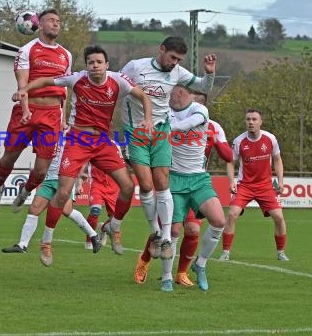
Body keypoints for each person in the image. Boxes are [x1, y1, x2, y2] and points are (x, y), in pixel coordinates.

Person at [15, 45, 154, 264]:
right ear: (86, 65)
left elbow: (144, 97)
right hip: (78, 140)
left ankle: (113, 227)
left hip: (102, 141)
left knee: (128, 186)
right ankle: (46, 242)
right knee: (62, 193)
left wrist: (148, 118)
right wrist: (24, 89)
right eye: (91, 62)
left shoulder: (118, 80)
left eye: (99, 62)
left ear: (106, 65)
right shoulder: (77, 79)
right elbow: (45, 81)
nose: (95, 66)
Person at [120, 36, 216, 260]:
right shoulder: (135, 67)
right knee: (145, 184)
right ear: (161, 50)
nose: (174, 62)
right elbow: (116, 86)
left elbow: (203, 87)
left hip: (161, 130)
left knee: (162, 182)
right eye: (172, 57)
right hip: (136, 131)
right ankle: (155, 231)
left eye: (179, 59)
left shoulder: (178, 72)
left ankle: (164, 237)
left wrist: (209, 73)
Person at [134, 85, 225, 292]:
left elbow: (185, 126)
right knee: (172, 230)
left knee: (219, 220)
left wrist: (159, 125)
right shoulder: (164, 112)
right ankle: (166, 277)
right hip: (173, 179)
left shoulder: (200, 111)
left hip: (198, 179)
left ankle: (199, 265)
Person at [0, 9, 72, 214]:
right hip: (27, 110)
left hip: (52, 114)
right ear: (39, 24)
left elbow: (65, 87)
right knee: (9, 157)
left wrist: (63, 117)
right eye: (51, 20)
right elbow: (22, 85)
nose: (56, 24)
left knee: (42, 169)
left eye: (58, 21)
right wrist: (25, 110)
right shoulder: (27, 50)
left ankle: (25, 192)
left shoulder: (66, 55)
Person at [0, 141, 102, 264]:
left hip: (65, 179)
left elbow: (82, 156)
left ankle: (93, 234)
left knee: (67, 211)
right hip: (48, 179)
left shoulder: (71, 135)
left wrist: (79, 179)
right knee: (34, 208)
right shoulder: (48, 133)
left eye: (62, 120)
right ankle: (22, 245)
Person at [220, 108, 288, 261]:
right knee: (232, 214)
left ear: (260, 122)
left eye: (254, 119)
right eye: (248, 119)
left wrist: (281, 181)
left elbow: (277, 160)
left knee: (278, 217)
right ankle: (225, 252)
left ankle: (281, 253)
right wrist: (231, 182)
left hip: (265, 186)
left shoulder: (270, 139)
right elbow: (231, 162)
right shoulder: (239, 141)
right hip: (245, 186)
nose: (251, 122)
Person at [84, 162, 119, 250]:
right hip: (97, 183)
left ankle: (103, 229)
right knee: (95, 211)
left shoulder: (118, 148)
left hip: (113, 185)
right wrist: (80, 182)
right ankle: (89, 241)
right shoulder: (91, 148)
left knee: (115, 218)